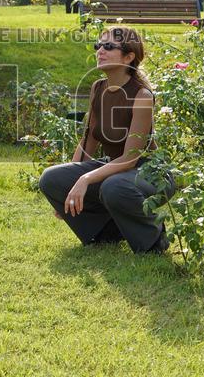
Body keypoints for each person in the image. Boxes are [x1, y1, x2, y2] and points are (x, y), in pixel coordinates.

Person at [39, 26, 173, 254]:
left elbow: (130, 159)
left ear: (129, 56)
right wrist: (69, 184)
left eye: (109, 46)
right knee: (51, 178)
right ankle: (107, 233)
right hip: (116, 169)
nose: (100, 50)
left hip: (150, 173)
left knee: (114, 186)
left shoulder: (142, 95)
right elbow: (89, 141)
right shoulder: (97, 88)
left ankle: (154, 239)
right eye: (98, 46)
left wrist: (85, 179)